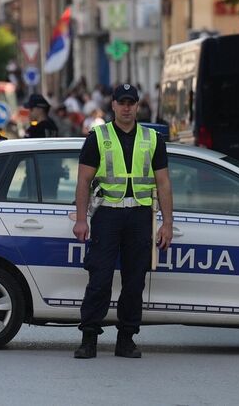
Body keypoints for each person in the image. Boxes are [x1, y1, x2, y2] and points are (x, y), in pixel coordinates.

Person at [72, 83, 174, 359]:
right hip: (108, 214)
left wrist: (167, 223)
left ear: (137, 105)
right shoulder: (98, 136)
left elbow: (163, 184)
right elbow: (83, 180)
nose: (127, 107)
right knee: (100, 277)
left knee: (134, 281)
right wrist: (81, 219)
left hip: (140, 216)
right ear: (113, 105)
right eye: (122, 102)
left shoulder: (152, 138)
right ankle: (89, 338)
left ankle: (126, 339)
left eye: (131, 102)